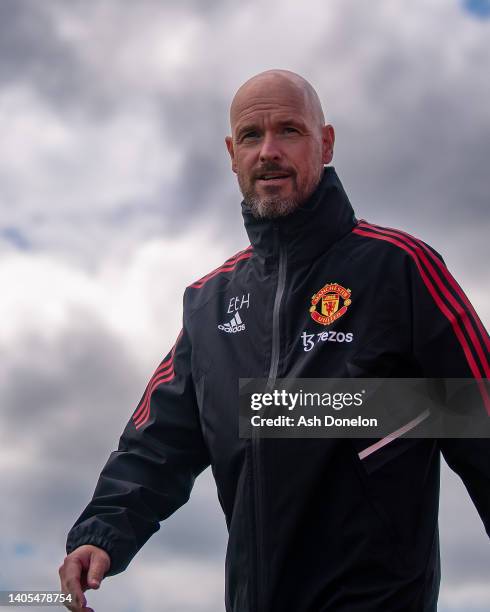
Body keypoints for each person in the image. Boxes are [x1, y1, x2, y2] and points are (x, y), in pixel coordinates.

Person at [59, 69, 490, 612]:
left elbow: (481, 412)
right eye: (250, 136)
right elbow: (156, 442)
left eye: (289, 130)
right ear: (231, 153)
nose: (268, 151)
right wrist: (102, 531)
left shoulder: (399, 268)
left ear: (325, 143)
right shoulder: (208, 304)